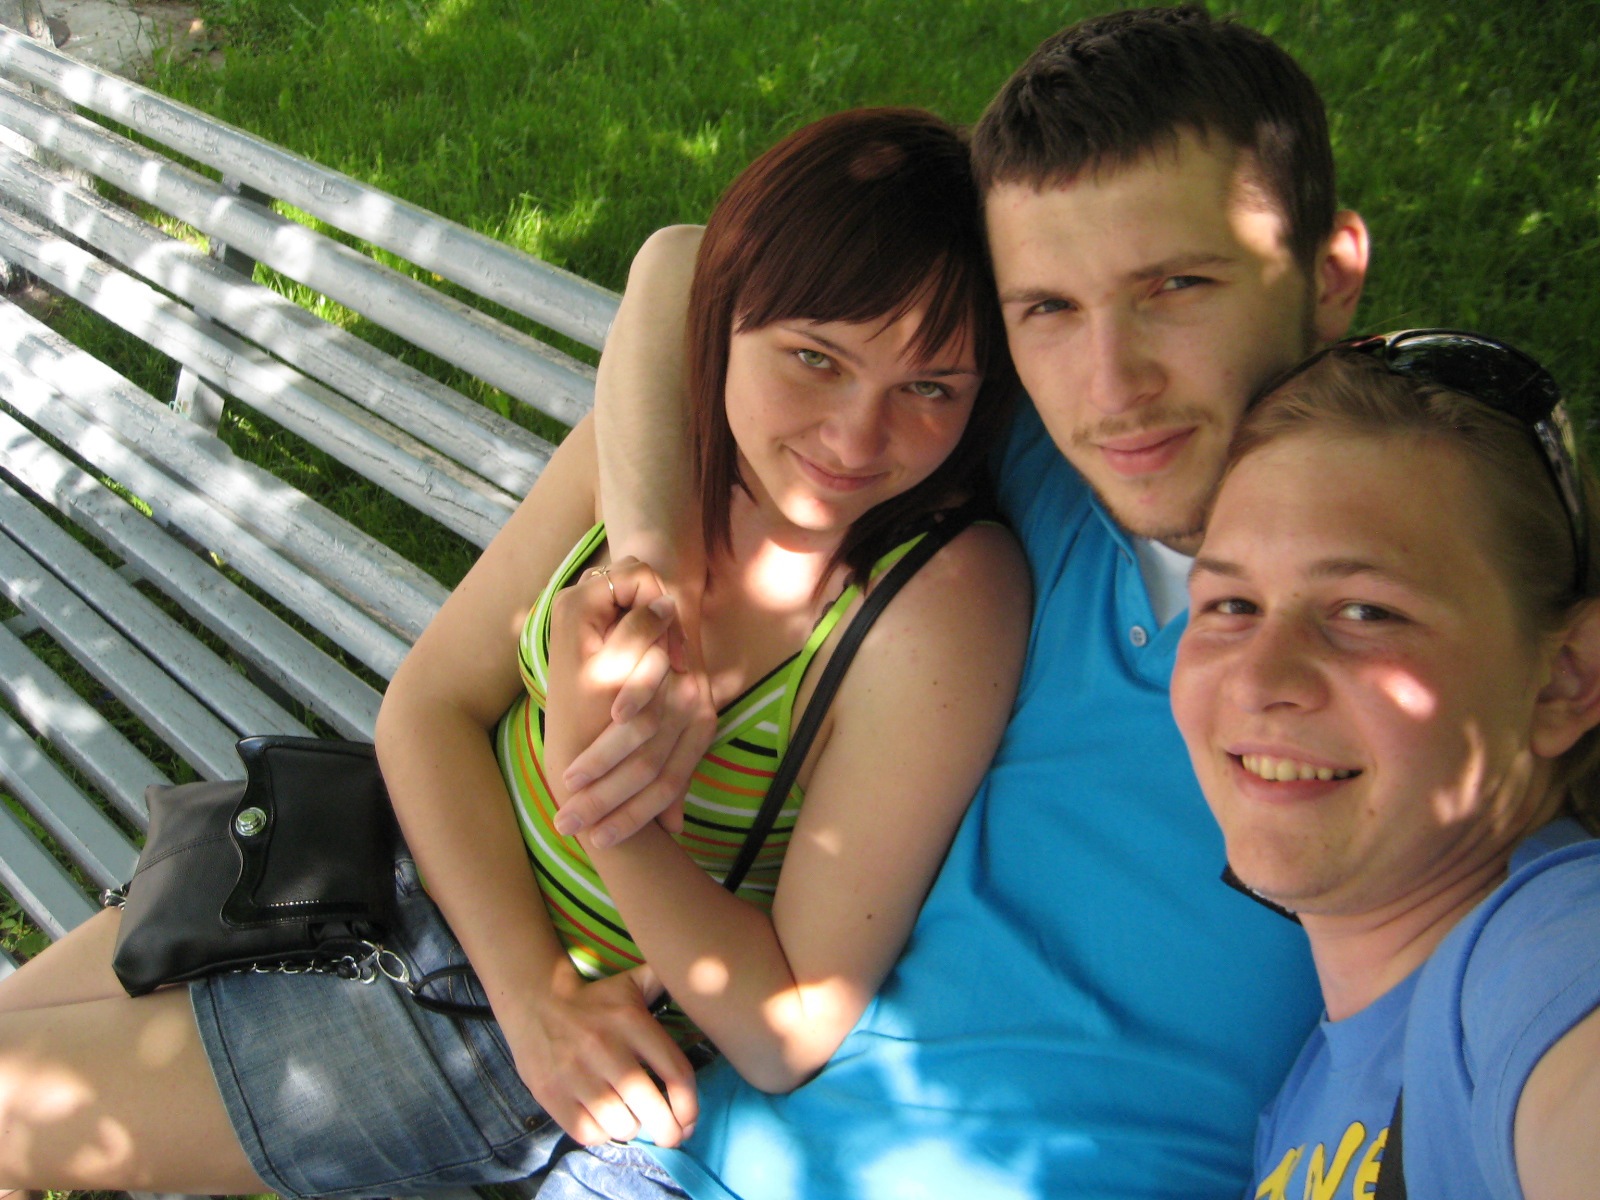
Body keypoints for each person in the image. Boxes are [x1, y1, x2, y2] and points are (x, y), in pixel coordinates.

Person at [0, 107, 1029, 1197]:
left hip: (496, 1043)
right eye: (815, 359)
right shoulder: (659, 449)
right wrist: (529, 980)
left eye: (929, 388)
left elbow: (785, 1030)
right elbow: (430, 704)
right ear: (727, 320)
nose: (855, 436)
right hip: (392, 874)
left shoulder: (938, 602)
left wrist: (596, 792)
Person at [540, 6, 1372, 1198]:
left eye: (1177, 286)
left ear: (1330, 275)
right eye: (1047, 307)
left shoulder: (1409, 632)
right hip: (693, 1163)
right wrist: (652, 571)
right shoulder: (1055, 466)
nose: (1113, 385)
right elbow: (681, 264)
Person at [1172, 331, 1600, 1200]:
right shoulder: (1304, 1103)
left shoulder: (1548, 959)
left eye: (1366, 611)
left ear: (1564, 679)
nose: (1259, 679)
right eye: (1232, 603)